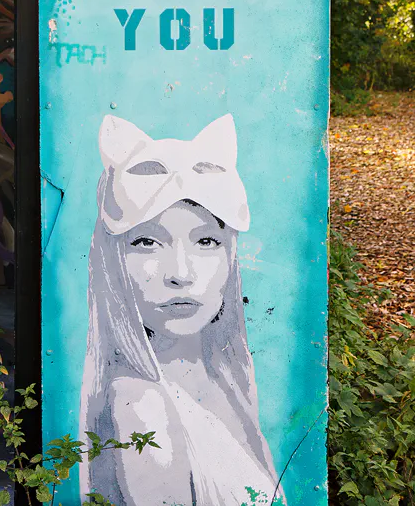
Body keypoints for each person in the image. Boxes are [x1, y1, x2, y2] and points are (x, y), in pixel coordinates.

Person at [79, 113, 283, 506]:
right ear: (113, 260)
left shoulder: (222, 376)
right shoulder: (142, 406)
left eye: (206, 241)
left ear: (231, 257)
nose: (181, 273)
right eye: (146, 243)